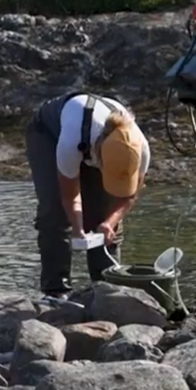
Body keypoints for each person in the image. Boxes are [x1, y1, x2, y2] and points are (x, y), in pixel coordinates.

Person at [25, 92, 151, 296]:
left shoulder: (141, 149)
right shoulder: (71, 142)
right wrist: (77, 229)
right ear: (97, 157)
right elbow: (70, 196)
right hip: (48, 134)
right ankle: (55, 290)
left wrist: (109, 223)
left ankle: (106, 287)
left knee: (104, 215)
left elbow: (128, 196)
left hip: (90, 139)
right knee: (55, 212)